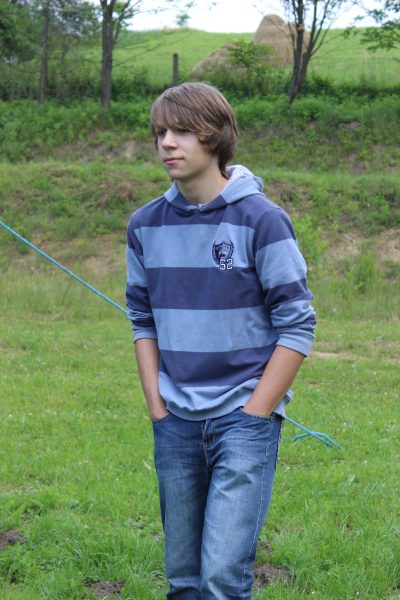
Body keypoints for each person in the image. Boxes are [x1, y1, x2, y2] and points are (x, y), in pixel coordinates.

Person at [126, 82, 316, 599]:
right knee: (184, 580)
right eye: (161, 132)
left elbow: (297, 325)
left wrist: (257, 413)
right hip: (175, 422)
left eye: (182, 131)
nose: (167, 142)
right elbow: (142, 320)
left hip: (243, 420)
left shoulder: (263, 220)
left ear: (216, 136)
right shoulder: (144, 225)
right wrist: (157, 408)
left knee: (221, 579)